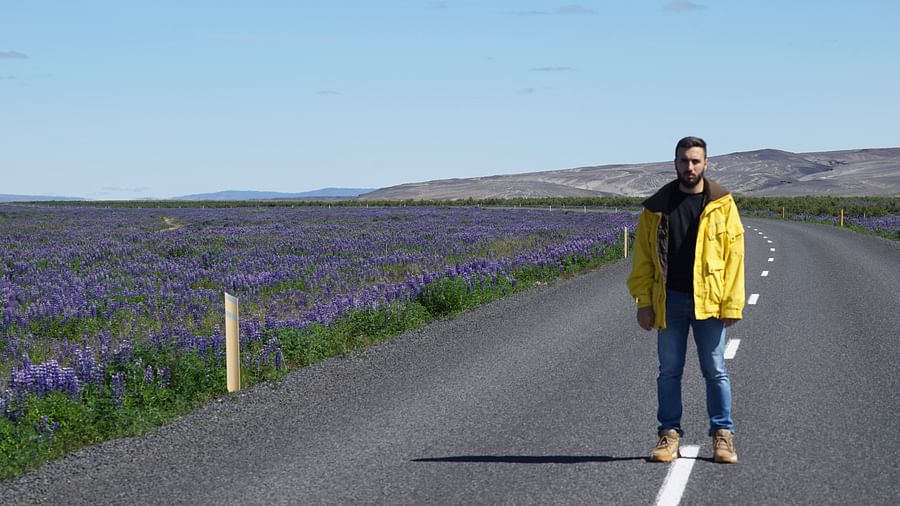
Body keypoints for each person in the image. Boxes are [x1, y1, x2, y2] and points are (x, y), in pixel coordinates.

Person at [626, 136, 744, 464]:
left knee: (716, 369)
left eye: (695, 161)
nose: (689, 167)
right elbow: (644, 260)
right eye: (684, 161)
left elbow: (735, 257)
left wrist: (732, 303)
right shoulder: (656, 208)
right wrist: (644, 302)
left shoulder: (723, 204)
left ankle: (723, 436)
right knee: (669, 371)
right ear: (675, 163)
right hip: (670, 301)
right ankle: (669, 436)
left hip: (710, 301)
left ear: (706, 164)